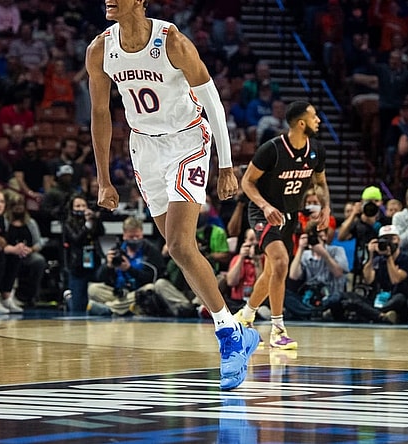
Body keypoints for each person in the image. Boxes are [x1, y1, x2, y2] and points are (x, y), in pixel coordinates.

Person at [85, 0, 258, 390]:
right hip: (144, 148)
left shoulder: (171, 41)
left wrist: (226, 165)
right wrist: (103, 179)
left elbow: (212, 101)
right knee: (179, 250)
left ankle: (228, 335)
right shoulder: (99, 49)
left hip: (187, 141)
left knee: (179, 244)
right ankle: (237, 331)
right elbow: (100, 114)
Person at [234, 100, 330, 349]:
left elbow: (320, 182)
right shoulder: (272, 149)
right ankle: (278, 330)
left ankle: (245, 315)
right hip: (264, 213)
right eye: (314, 116)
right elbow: (247, 182)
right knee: (280, 263)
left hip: (290, 214)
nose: (318, 120)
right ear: (301, 123)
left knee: (272, 273)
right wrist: (265, 206)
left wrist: (326, 206)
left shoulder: (316, 150)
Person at [62, 194, 105, 313]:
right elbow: (76, 239)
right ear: (72, 208)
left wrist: (95, 219)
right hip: (77, 266)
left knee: (94, 302)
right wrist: (87, 226)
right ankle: (69, 298)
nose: (81, 208)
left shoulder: (92, 220)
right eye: (77, 206)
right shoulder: (68, 224)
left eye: (83, 205)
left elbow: (101, 232)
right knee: (77, 308)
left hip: (94, 263)